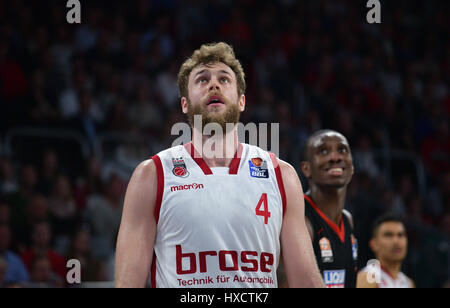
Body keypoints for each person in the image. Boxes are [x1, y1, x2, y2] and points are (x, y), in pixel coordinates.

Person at [115, 42, 324, 288]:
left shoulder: (281, 175)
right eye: (202, 80)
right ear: (184, 104)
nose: (214, 84)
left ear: (242, 101)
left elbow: (305, 282)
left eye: (224, 80)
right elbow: (128, 284)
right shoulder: (152, 175)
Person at [295, 129, 358, 288]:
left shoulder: (347, 220)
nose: (335, 157)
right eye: (323, 151)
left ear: (352, 167)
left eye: (342, 150)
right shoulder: (300, 219)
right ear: (306, 169)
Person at [357, 214, 415, 288]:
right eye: (388, 235)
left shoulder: (408, 283)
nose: (396, 241)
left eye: (400, 235)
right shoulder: (367, 278)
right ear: (374, 244)